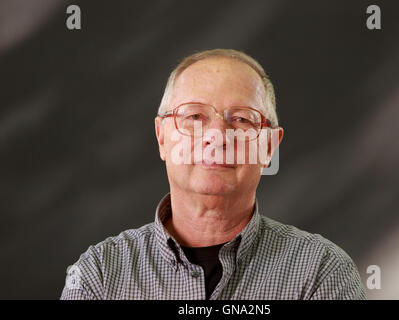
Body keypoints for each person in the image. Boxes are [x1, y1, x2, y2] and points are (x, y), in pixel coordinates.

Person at [60, 49, 366, 300]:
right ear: (161, 137)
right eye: (194, 116)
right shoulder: (98, 276)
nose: (218, 136)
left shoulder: (321, 271)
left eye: (243, 120)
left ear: (269, 146)